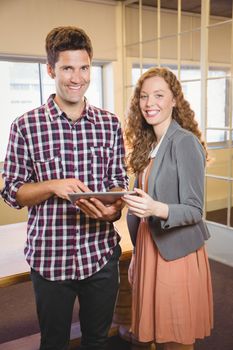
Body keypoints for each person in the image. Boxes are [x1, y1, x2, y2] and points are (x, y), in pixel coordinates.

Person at [1, 26, 128, 350]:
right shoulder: (26, 125)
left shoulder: (110, 124)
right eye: (67, 68)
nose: (77, 77)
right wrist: (53, 186)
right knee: (54, 342)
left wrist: (114, 208)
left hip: (100, 256)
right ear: (50, 69)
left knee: (98, 341)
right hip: (50, 258)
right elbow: (12, 191)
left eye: (83, 67)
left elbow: (119, 179)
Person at [122, 67, 213, 350]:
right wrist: (137, 253)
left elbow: (195, 210)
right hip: (150, 248)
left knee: (174, 338)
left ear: (174, 100)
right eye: (144, 96)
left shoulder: (184, 142)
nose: (150, 103)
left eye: (159, 95)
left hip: (176, 255)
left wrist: (155, 208)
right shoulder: (150, 144)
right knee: (156, 337)